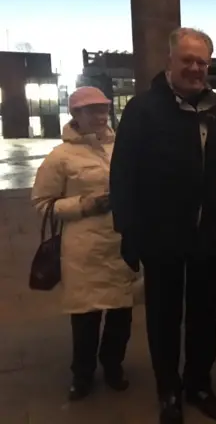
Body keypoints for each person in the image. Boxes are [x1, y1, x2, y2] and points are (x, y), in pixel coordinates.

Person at [110, 28, 216, 424]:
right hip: (160, 235)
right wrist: (129, 234)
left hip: (209, 235)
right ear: (169, 61)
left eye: (202, 62)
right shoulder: (142, 109)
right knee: (164, 317)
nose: (196, 69)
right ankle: (168, 388)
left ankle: (199, 383)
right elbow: (123, 175)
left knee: (203, 315)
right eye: (188, 60)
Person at [32, 87, 137, 401]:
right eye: (92, 110)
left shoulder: (123, 147)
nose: (101, 116)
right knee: (86, 316)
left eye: (104, 109)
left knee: (121, 312)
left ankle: (113, 366)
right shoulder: (60, 157)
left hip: (121, 242)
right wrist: (85, 204)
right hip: (83, 248)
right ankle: (83, 373)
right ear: (75, 115)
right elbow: (42, 202)